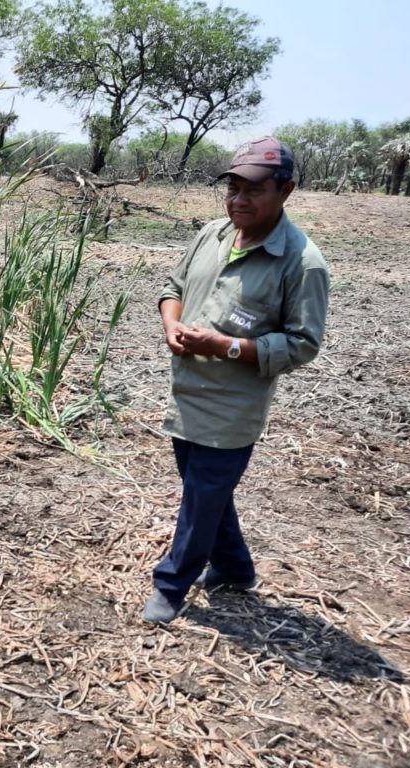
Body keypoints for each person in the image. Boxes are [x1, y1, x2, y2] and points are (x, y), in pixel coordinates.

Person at [143, 136, 330, 624]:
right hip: (186, 393)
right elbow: (173, 287)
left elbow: (302, 344)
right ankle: (235, 568)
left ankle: (171, 584)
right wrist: (171, 325)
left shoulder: (302, 263)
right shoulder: (213, 234)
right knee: (206, 492)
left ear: (286, 190)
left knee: (201, 500)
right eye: (233, 188)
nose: (239, 200)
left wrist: (223, 346)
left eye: (254, 190)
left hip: (232, 408)